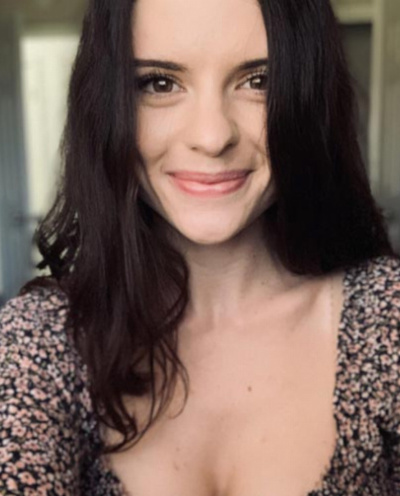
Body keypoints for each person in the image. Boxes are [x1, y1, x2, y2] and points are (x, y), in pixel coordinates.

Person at [1, 0, 400, 494]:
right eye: (159, 83)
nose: (212, 137)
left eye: (259, 81)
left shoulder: (388, 316)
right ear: (105, 103)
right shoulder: (38, 342)